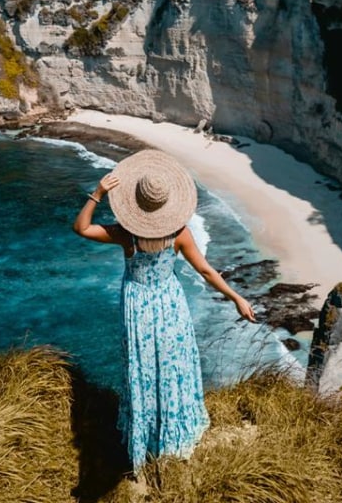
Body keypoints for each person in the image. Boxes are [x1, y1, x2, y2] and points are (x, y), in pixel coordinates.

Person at [72, 148, 256, 473]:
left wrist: (97, 194)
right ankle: (175, 436)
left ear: (136, 205)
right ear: (167, 206)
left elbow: (82, 229)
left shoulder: (125, 234)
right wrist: (237, 298)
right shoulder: (179, 233)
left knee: (142, 371)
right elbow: (207, 272)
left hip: (137, 307)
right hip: (170, 305)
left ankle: (145, 438)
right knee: (174, 368)